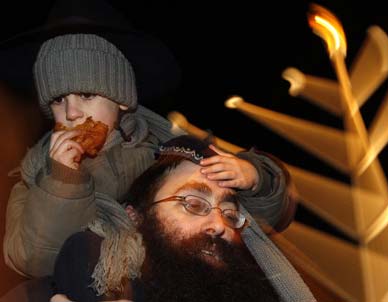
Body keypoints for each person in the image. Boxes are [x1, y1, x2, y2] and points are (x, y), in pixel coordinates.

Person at [2, 0, 295, 283]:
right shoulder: (36, 179)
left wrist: (256, 178)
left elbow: (259, 219)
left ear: (123, 100)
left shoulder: (175, 154)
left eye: (87, 95)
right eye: (57, 100)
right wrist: (62, 184)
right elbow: (35, 261)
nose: (72, 112)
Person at [50, 135, 315, 302]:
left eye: (231, 214)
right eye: (193, 204)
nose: (218, 225)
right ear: (135, 216)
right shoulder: (93, 263)